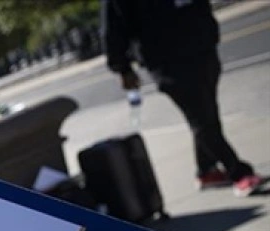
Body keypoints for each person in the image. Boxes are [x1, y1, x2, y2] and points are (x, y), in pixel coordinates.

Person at [102, 0, 264, 197]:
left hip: (201, 46)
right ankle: (238, 174)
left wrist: (209, 30)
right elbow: (113, 26)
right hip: (166, 59)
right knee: (201, 118)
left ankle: (206, 171)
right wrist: (122, 67)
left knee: (208, 114)